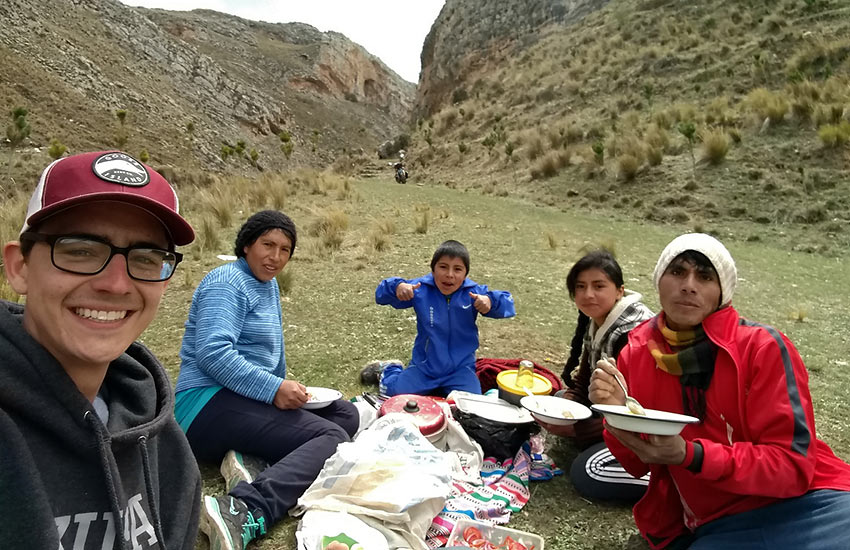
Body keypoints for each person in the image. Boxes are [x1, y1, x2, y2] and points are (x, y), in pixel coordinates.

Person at [589, 233, 850, 550]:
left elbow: (792, 467)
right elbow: (638, 465)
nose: (689, 285)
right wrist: (616, 417)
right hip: (720, 524)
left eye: (704, 276)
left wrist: (692, 455)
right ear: (659, 281)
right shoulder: (638, 353)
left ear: (722, 292)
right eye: (677, 272)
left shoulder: (761, 348)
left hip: (811, 506)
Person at [0, 151, 201, 549]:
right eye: (80, 249)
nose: (116, 284)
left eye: (145, 258)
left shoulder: (167, 450)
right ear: (19, 267)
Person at [175, 210, 359, 550]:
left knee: (345, 414)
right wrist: (273, 389)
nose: (275, 257)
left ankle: (251, 461)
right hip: (203, 403)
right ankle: (245, 508)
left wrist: (284, 387)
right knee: (331, 436)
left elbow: (269, 354)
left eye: (285, 249)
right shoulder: (227, 282)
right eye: (267, 245)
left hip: (239, 399)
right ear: (247, 245)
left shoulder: (267, 284)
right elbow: (213, 353)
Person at [540, 250, 653, 502]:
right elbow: (586, 375)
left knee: (588, 472)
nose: (588, 294)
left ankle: (666, 474)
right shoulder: (599, 320)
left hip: (644, 428)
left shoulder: (632, 334)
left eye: (599, 286)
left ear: (620, 290)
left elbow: (637, 411)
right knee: (557, 399)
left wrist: (578, 430)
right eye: (580, 287)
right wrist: (567, 406)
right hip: (610, 416)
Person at [361, 240, 516, 396]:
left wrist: (491, 301)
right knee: (394, 394)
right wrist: (397, 287)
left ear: (465, 275)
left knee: (470, 407)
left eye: (457, 269)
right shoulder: (420, 289)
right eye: (443, 267)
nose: (449, 275)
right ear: (433, 270)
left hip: (460, 371)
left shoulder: (473, 293)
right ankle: (389, 370)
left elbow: (507, 304)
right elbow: (380, 294)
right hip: (425, 368)